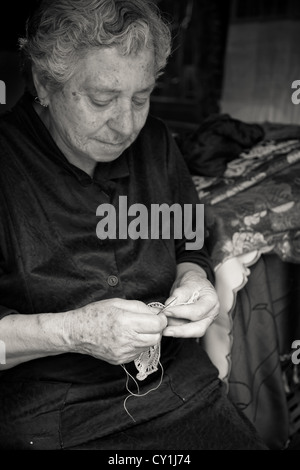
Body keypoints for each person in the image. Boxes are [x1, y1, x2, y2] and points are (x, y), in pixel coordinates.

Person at [0, 0, 268, 450]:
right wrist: (72, 332)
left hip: (181, 390)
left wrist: (195, 279)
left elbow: (188, 241)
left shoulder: (157, 144)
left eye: (141, 98)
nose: (126, 125)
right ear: (44, 84)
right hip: (54, 417)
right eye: (102, 99)